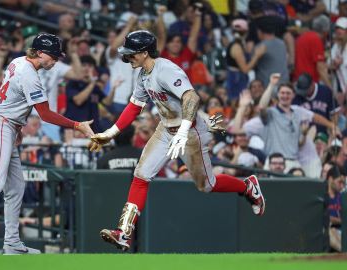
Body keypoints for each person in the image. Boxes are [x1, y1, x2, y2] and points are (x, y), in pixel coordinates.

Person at [88, 30, 266, 251]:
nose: (127, 57)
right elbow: (135, 106)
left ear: (144, 53)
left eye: (131, 53)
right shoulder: (143, 73)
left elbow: (192, 97)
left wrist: (183, 131)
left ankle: (247, 186)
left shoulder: (166, 69)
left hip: (190, 131)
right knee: (141, 176)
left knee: (206, 185)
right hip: (165, 129)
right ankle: (124, 233)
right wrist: (110, 133)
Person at [0, 33, 94, 255]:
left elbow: (13, 99)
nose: (56, 60)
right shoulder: (29, 73)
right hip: (0, 127)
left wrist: (17, 127)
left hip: (6, 126)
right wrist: (78, 126)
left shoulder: (17, 61)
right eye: (53, 56)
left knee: (16, 186)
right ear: (40, 53)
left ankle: (11, 242)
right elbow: (46, 115)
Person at [325, 165, 345, 252]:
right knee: (330, 231)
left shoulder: (343, 197)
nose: (342, 186)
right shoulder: (322, 196)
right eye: (339, 182)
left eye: (344, 183)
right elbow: (325, 219)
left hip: (342, 230)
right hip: (327, 230)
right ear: (330, 179)